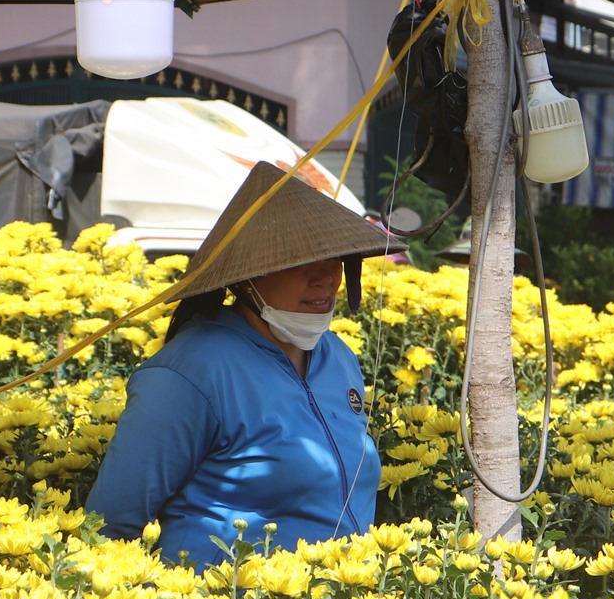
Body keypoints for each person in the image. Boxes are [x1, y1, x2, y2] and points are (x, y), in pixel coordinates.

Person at [86, 163, 392, 566]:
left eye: (334, 259)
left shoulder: (338, 358)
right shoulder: (189, 372)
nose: (325, 278)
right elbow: (108, 527)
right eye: (301, 262)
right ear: (249, 277)